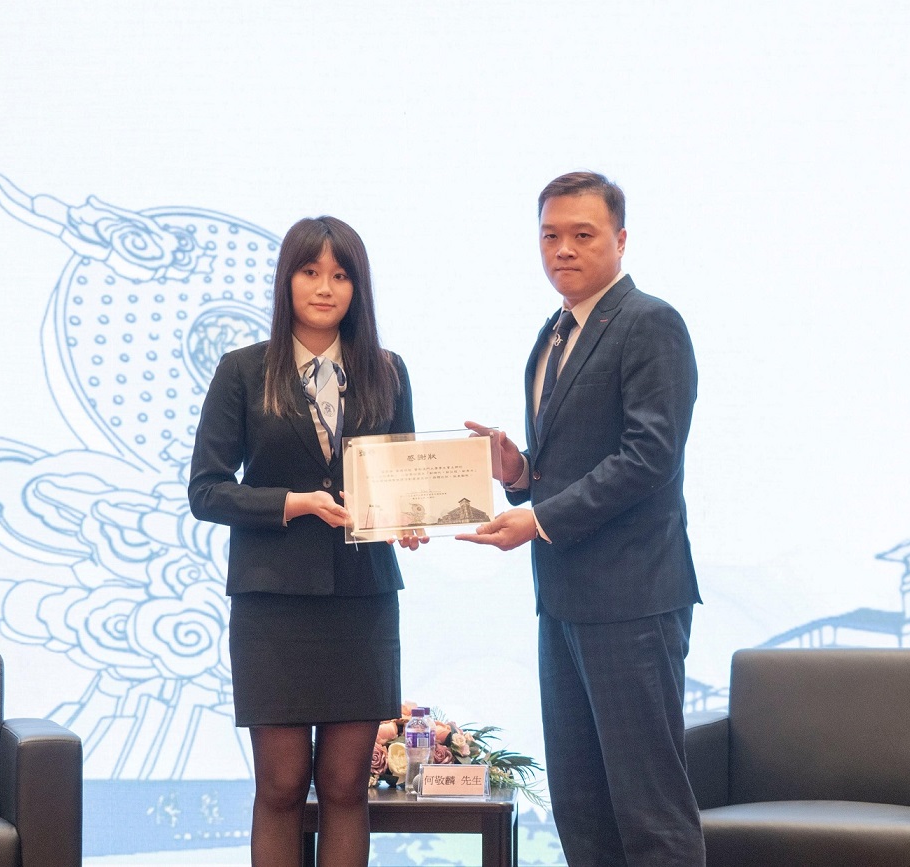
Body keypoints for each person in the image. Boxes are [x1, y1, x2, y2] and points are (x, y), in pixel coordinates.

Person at [458, 172, 705, 866]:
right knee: (581, 806)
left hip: (633, 601)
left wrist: (537, 518)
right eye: (550, 235)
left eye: (582, 234)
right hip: (564, 601)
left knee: (650, 812)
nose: (562, 249)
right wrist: (520, 474)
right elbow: (580, 461)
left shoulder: (650, 322)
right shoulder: (554, 334)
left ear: (620, 240)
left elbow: (649, 456)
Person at [188, 215, 424, 866]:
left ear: (358, 287)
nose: (325, 287)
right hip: (273, 604)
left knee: (347, 785)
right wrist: (293, 503)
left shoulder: (388, 371)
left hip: (362, 599)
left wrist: (411, 519)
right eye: (311, 271)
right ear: (286, 279)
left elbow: (399, 480)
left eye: (341, 275)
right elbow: (205, 490)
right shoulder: (243, 371)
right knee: (283, 784)